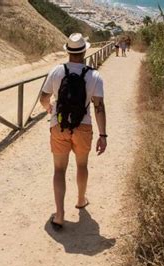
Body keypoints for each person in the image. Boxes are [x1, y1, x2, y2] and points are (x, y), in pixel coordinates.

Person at [39, 33, 108, 230]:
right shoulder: (94, 76)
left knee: (59, 170)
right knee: (81, 165)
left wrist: (49, 108)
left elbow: (44, 98)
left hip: (59, 125)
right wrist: (103, 135)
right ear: (85, 51)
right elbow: (99, 107)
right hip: (83, 126)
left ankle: (59, 215)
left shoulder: (56, 71)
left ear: (68, 51)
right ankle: (80, 200)